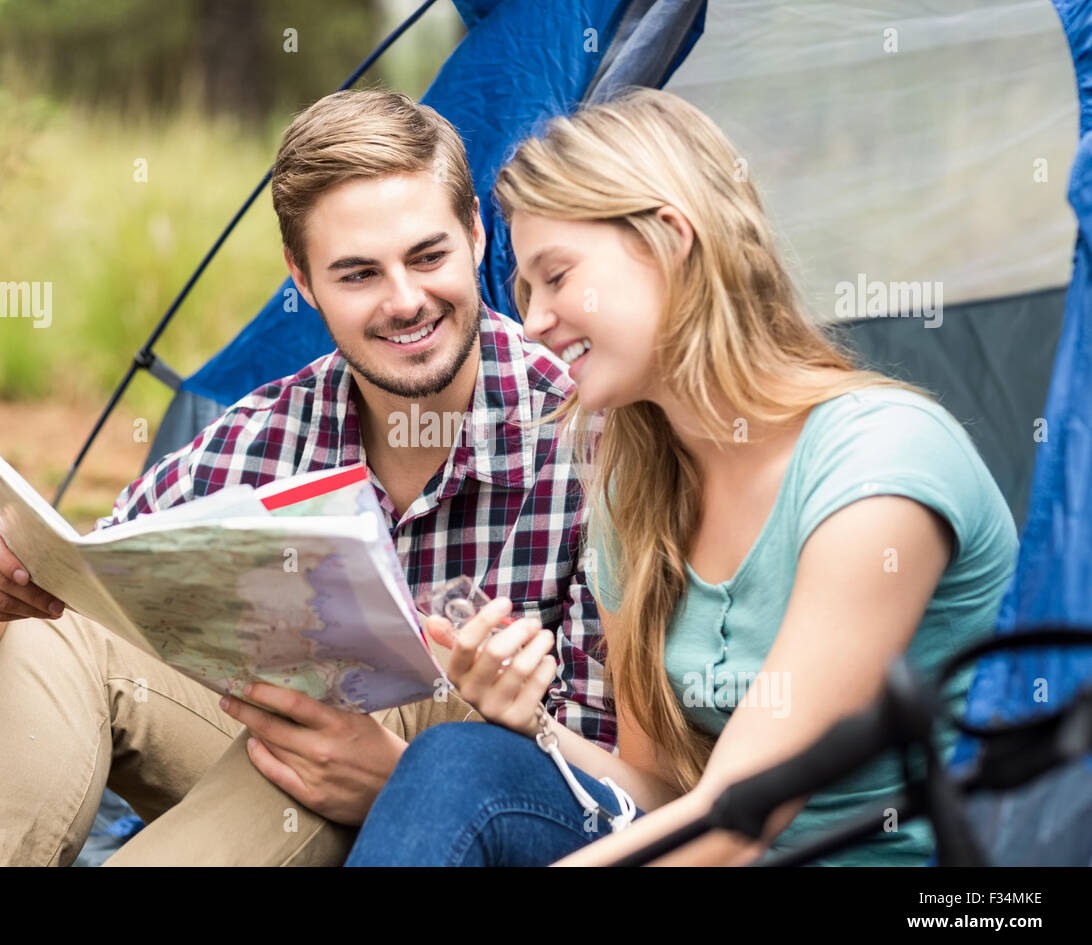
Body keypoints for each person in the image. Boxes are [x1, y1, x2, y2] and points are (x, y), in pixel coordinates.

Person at [0, 88, 614, 867]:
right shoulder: (261, 440)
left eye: (427, 256)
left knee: (329, 722)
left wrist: (403, 781)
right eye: (357, 275)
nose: (406, 300)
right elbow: (24, 666)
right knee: (72, 630)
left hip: (489, 806)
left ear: (477, 237)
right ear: (302, 281)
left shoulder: (587, 438)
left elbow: (624, 791)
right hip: (281, 764)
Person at [345, 87, 1020, 867]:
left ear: (670, 239)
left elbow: (737, 825)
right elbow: (664, 796)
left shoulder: (880, 464)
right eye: (525, 289)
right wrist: (534, 725)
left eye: (557, 277)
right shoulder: (637, 496)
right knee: (460, 762)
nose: (530, 321)